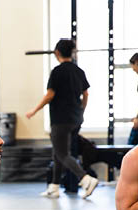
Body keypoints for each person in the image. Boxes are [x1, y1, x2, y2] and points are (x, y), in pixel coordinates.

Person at [26, 39, 98, 199]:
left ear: (57, 53)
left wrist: (34, 110)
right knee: (58, 152)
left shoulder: (57, 71)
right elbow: (86, 94)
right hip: (76, 119)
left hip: (60, 120)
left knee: (62, 153)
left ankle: (85, 179)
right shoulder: (79, 71)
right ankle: (54, 187)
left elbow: (50, 95)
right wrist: (81, 111)